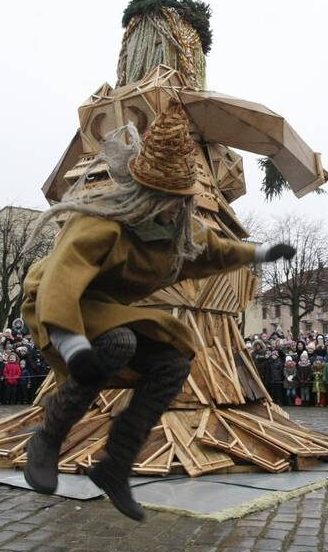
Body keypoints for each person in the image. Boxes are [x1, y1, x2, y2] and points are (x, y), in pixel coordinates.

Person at [19, 116, 296, 521]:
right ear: (145, 193)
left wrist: (262, 253)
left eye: (179, 200)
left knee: (172, 362)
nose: (174, 209)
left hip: (107, 306)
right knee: (119, 343)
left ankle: (115, 466)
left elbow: (215, 250)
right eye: (165, 199)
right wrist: (73, 346)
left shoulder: (176, 233)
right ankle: (46, 441)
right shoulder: (100, 224)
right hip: (58, 301)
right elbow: (61, 282)